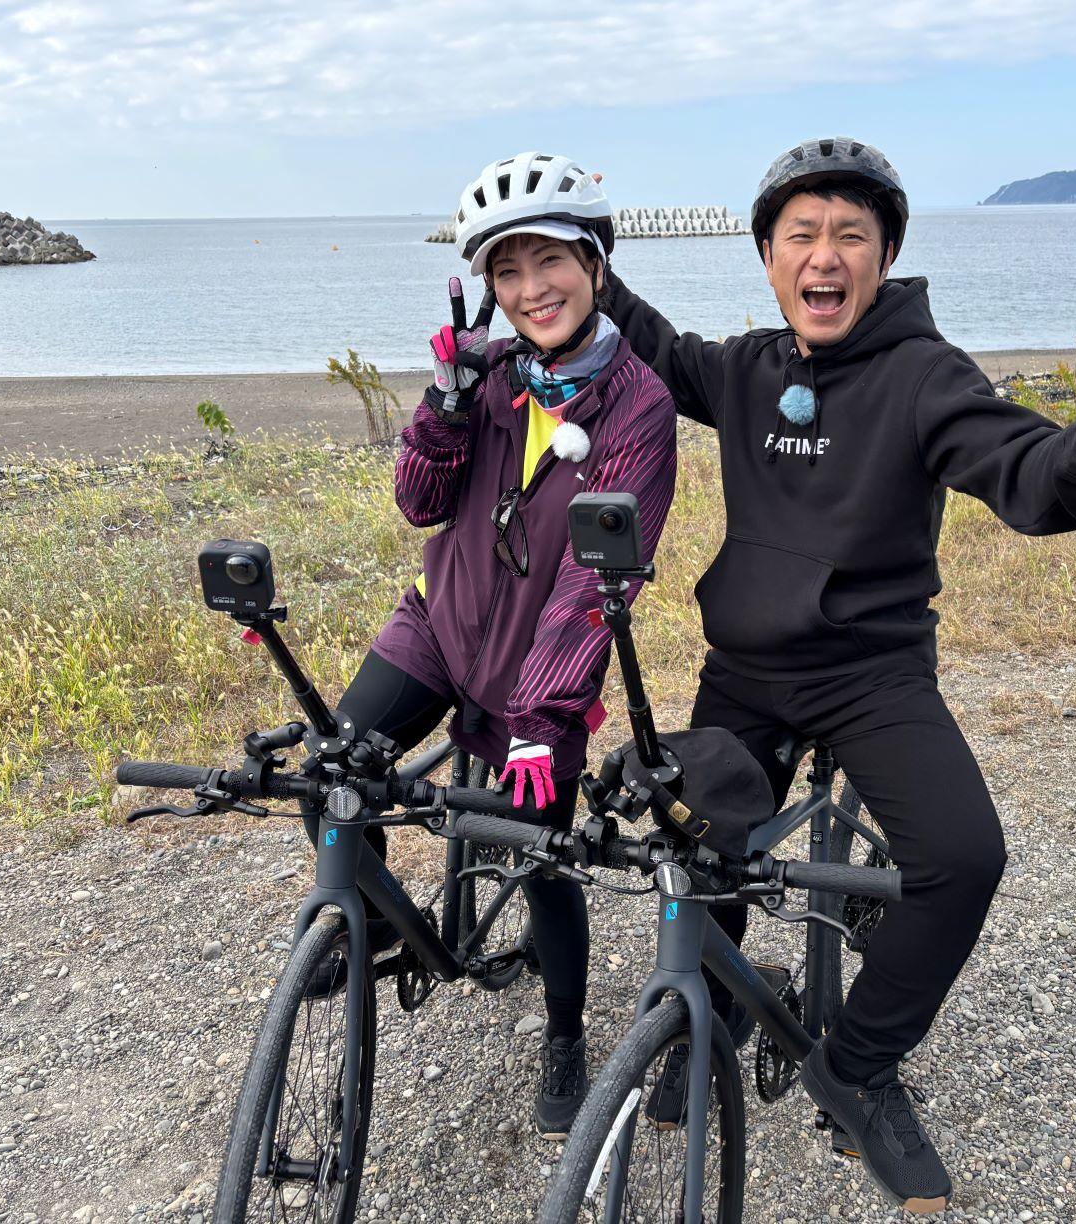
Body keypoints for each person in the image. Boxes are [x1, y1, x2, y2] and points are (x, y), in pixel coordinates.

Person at [604, 137, 1076, 1212]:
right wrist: (577, 258)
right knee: (701, 840)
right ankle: (715, 1007)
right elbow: (653, 343)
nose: (824, 256)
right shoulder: (747, 369)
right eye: (802, 237)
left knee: (965, 859)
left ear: (884, 258)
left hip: (870, 673)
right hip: (745, 666)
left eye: (850, 236)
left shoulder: (927, 376)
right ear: (769, 258)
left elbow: (1027, 477)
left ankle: (858, 1064)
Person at [327, 151, 677, 1138]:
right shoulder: (485, 375)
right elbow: (419, 505)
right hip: (440, 626)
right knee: (334, 768)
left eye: (549, 261)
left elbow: (592, 583)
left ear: (596, 263)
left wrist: (544, 716)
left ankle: (565, 1031)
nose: (531, 289)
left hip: (540, 666)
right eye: (507, 271)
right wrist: (439, 404)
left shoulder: (638, 404)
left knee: (541, 855)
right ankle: (365, 922)